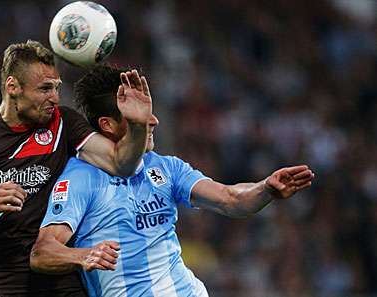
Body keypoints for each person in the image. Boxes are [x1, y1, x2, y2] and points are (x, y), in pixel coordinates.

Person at [29, 65, 315, 297]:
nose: (152, 120)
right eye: (137, 117)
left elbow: (231, 199)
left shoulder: (165, 167)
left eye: (148, 110)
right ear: (108, 125)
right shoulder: (81, 177)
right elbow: (42, 252)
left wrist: (265, 188)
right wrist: (83, 255)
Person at [0, 41, 153, 296]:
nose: (54, 98)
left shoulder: (63, 123)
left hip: (59, 272)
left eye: (56, 88)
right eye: (44, 89)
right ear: (13, 87)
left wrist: (138, 126)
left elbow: (121, 164)